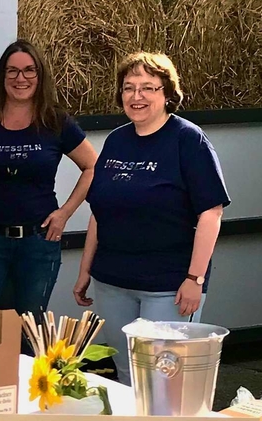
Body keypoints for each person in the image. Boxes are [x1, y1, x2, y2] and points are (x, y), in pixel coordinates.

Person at [74, 51, 229, 381]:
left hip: (168, 286)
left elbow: (211, 213)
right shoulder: (116, 141)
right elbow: (100, 211)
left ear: (167, 93)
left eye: (148, 87)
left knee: (163, 379)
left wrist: (195, 280)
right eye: (129, 88)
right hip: (112, 281)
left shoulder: (188, 140)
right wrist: (86, 269)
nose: (137, 96)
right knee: (126, 374)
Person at [0, 40, 97, 318]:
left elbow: (93, 167)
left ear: (40, 75)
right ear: (2, 76)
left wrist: (64, 213)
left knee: (29, 331)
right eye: (12, 71)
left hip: (38, 243)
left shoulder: (55, 121)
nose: (21, 78)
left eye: (29, 70)